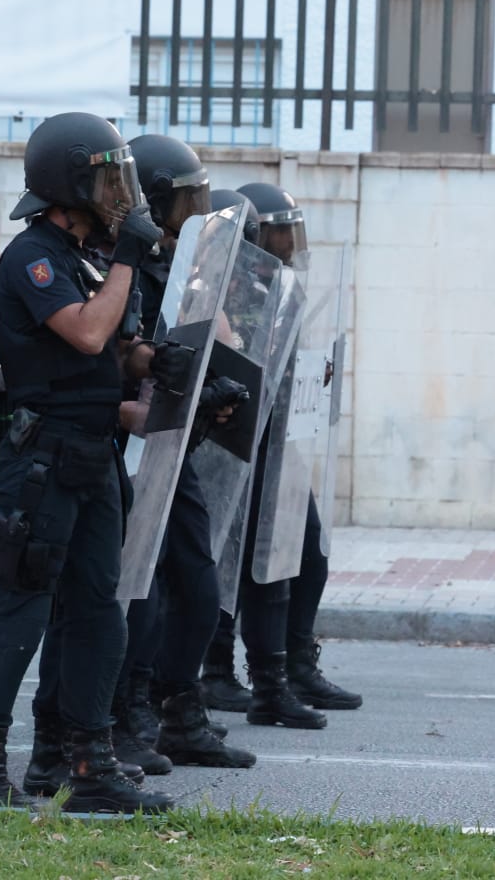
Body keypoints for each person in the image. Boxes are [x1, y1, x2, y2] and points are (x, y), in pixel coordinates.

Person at [0, 112, 173, 813]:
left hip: (92, 457)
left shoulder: (93, 255)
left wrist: (170, 363)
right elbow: (84, 333)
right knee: (20, 611)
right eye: (108, 179)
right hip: (41, 459)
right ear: (68, 183)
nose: (120, 192)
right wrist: (129, 261)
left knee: (98, 616)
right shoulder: (33, 256)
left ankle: (86, 763)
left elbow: (119, 349)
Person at [110, 135, 256, 773]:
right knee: (135, 591)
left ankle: (179, 709)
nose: (195, 210)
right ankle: (129, 709)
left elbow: (216, 340)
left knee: (197, 585)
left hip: (172, 446)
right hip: (122, 445)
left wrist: (218, 384)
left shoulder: (178, 266)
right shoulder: (122, 267)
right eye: (187, 197)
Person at [200, 182, 363, 725]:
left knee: (304, 555)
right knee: (228, 565)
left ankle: (293, 666)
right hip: (232, 445)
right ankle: (222, 675)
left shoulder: (282, 286)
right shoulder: (225, 286)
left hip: (279, 441)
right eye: (277, 232)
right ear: (251, 235)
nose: (288, 243)